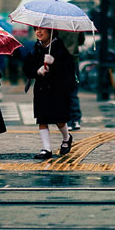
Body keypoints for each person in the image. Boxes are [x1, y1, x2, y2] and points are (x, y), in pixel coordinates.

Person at [23, 27, 76, 159]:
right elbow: (27, 67)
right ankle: (46, 149)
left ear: (50, 31)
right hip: (41, 89)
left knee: (59, 119)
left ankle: (66, 137)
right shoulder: (36, 48)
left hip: (57, 90)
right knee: (42, 119)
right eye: (36, 29)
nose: (38, 32)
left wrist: (55, 63)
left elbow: (68, 68)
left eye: (42, 29)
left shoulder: (59, 47)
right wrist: (37, 70)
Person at [57, 31, 85, 131]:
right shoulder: (76, 25)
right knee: (73, 90)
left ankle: (67, 121)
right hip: (74, 61)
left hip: (60, 61)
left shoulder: (56, 25)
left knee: (62, 91)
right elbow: (81, 41)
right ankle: (76, 119)